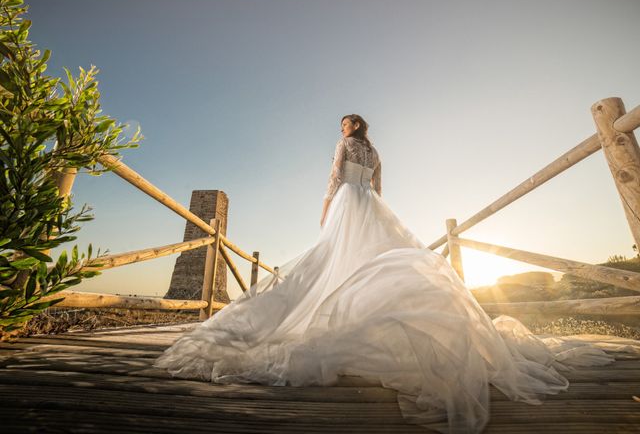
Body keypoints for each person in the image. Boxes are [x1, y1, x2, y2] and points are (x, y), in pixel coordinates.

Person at [154, 114, 636, 433]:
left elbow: (334, 177)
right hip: (372, 203)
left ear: (351, 127)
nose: (343, 128)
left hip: (348, 202)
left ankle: (332, 310)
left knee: (332, 256)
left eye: (345, 123)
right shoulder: (375, 152)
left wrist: (327, 206)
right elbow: (380, 184)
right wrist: (372, 199)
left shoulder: (344, 145)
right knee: (376, 258)